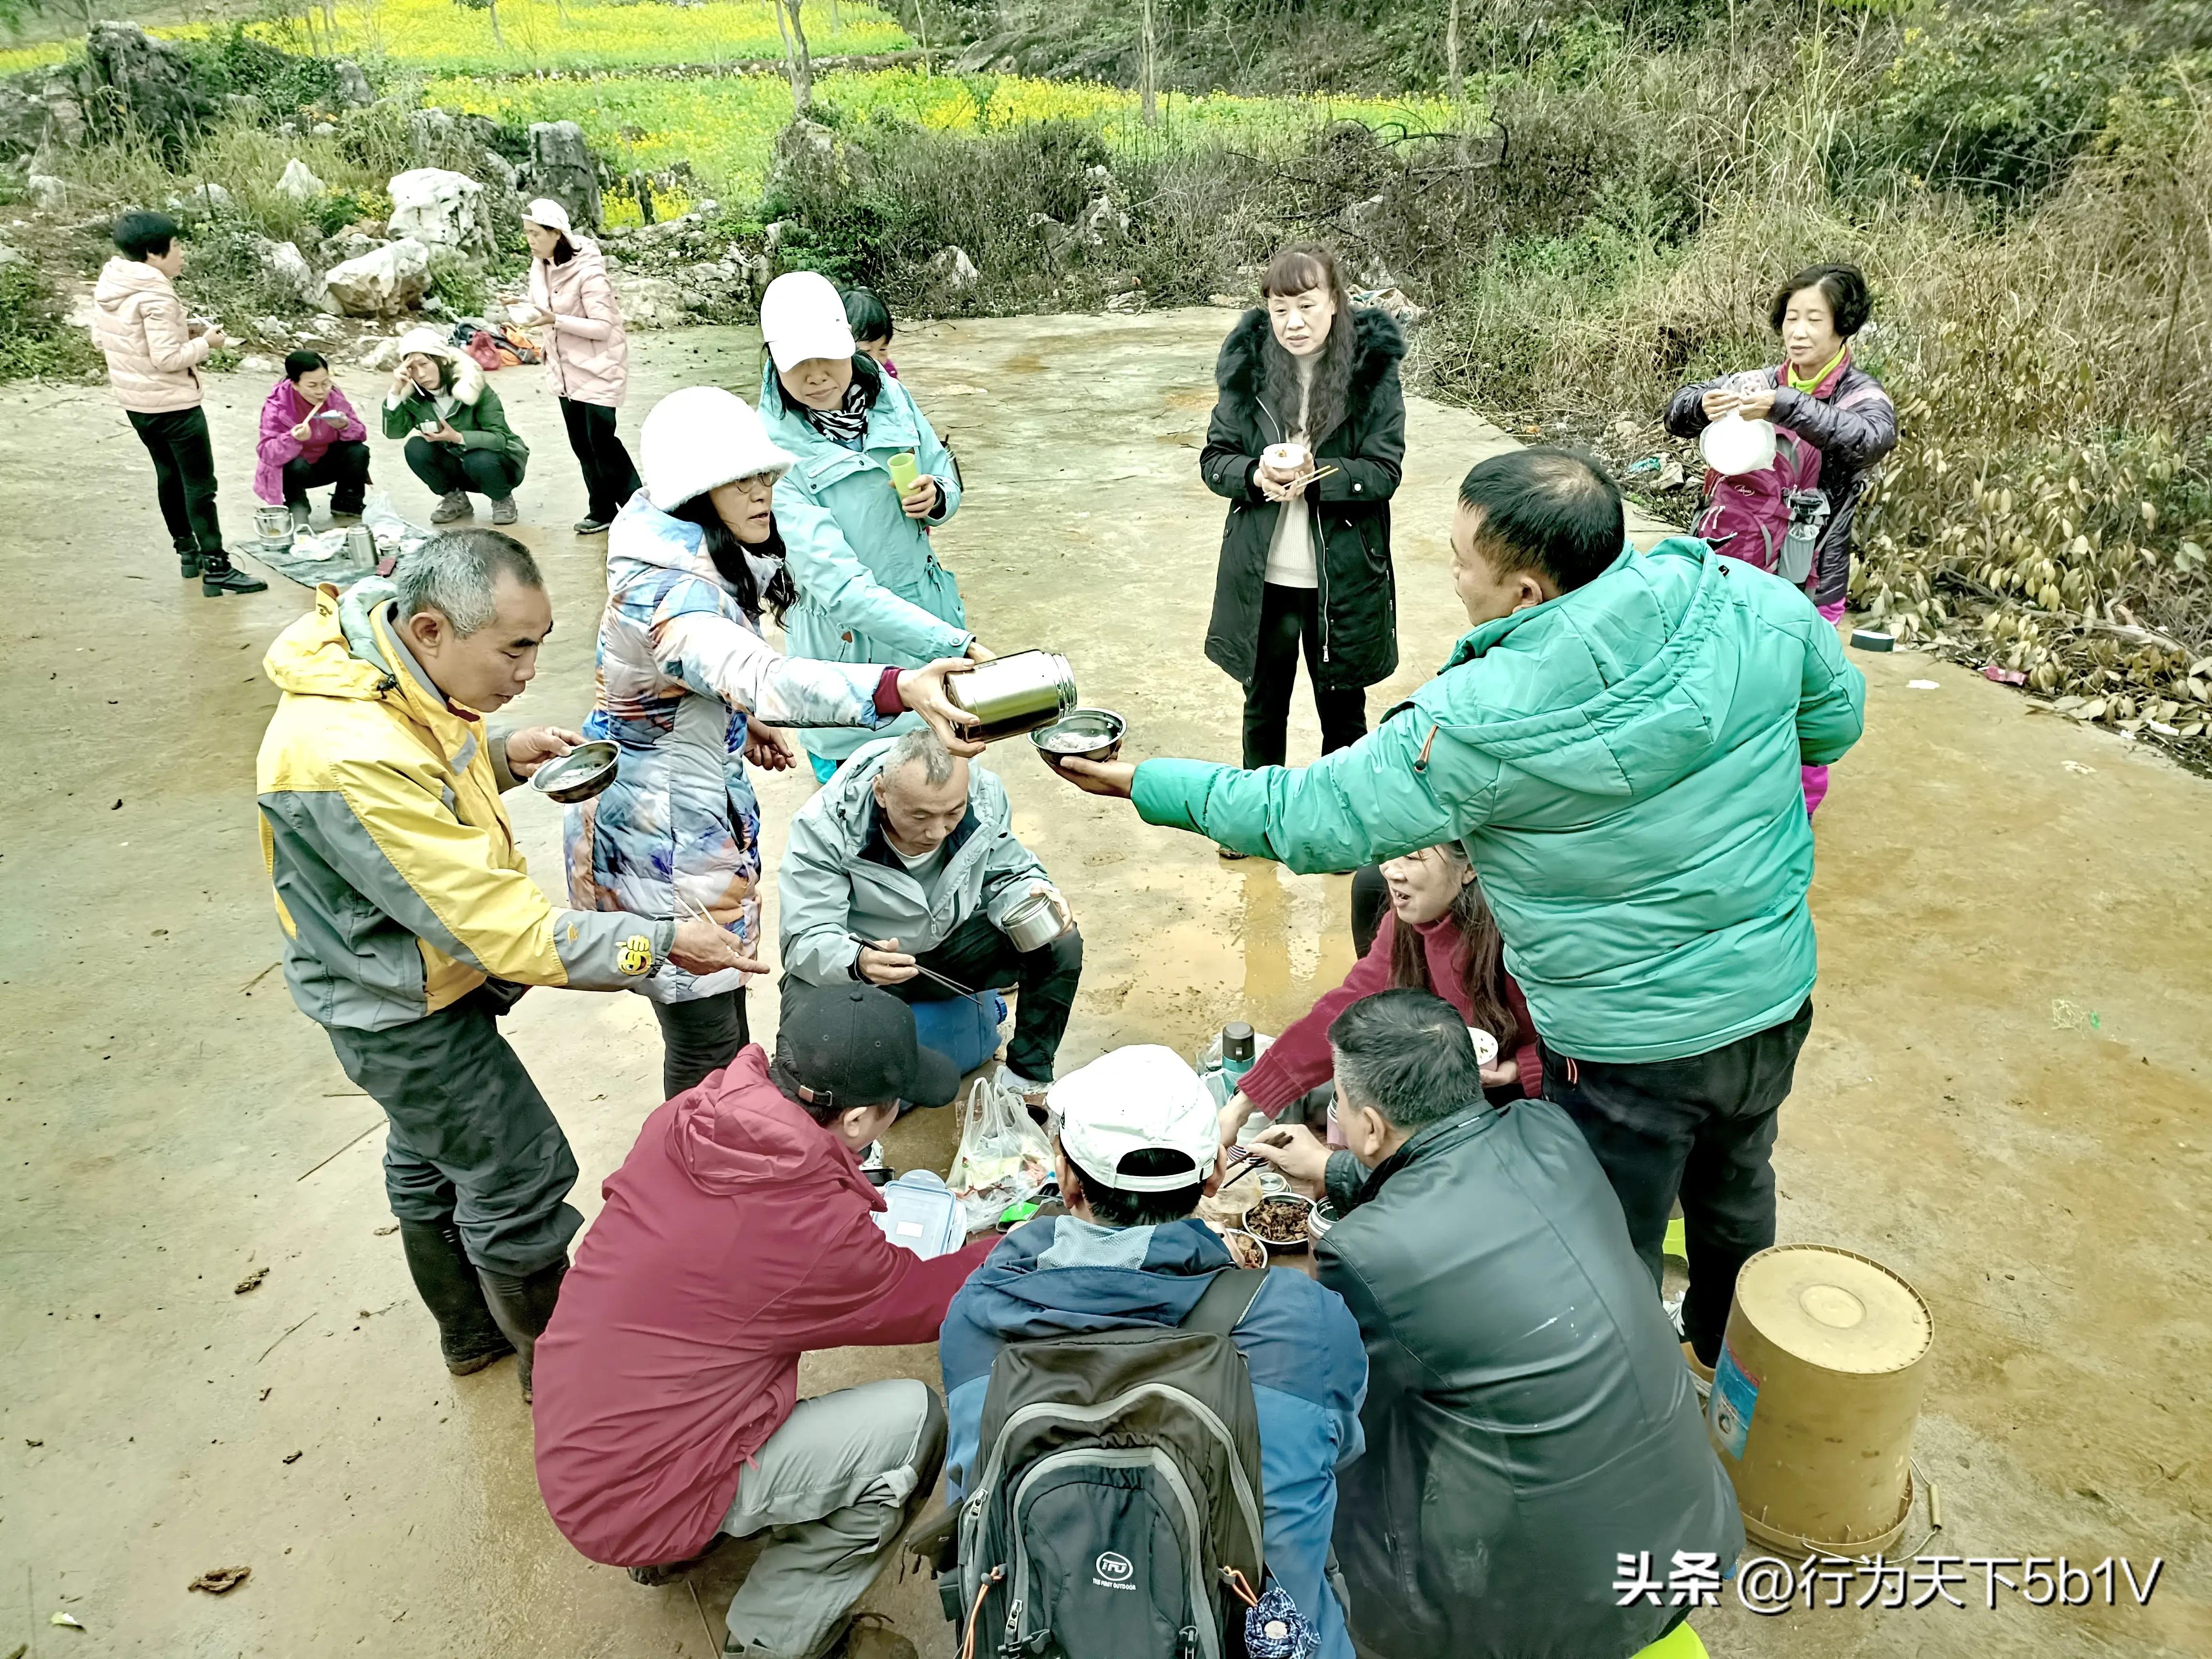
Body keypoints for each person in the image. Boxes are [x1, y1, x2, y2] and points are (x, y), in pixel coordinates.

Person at [1053, 447, 1865, 1372]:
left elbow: (1307, 816)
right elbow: (1833, 723)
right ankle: (1731, 1365)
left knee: (1607, 1243)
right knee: (1736, 1186)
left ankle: (1630, 1400)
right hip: (1770, 995)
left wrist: (1143, 782)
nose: (1449, 574)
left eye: (1458, 560)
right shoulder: (1748, 599)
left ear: (1523, 592)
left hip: (1626, 1043)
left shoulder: (1477, 716)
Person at [255, 531, 755, 1398]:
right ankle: (572, 1382)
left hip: (387, 977)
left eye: (539, 644)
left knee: (431, 1157)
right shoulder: (346, 751)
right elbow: (500, 930)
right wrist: (659, 939)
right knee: (520, 1175)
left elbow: (421, 787)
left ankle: (471, 1333)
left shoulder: (386, 674)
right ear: (431, 628)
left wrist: (496, 757)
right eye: (513, 649)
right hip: (401, 1005)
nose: (527, 671)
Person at [1248, 989, 1743, 1659]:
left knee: (1342, 1461)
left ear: (1368, 1127)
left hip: (1569, 1612)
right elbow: (1456, 1172)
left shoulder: (1366, 1254)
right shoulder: (1548, 1129)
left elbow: (1341, 1407)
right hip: (1692, 1538)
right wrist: (1335, 1170)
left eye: (1338, 1101)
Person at [532, 986, 994, 1659]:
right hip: (636, 1495)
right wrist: (1024, 1245)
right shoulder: (810, 1231)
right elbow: (925, 1297)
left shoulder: (693, 1116)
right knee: (912, 1429)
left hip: (582, 1440)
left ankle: (675, 1542)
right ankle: (771, 1638)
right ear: (858, 1120)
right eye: (895, 1104)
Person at [565, 385, 985, 1100]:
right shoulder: (672, 593)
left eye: (765, 475)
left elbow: (700, 676)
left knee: (717, 1018)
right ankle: (709, 1155)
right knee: (706, 1039)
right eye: (742, 482)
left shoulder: (679, 546)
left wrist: (726, 715)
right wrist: (899, 688)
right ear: (695, 492)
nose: (764, 493)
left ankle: (723, 1143)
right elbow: (761, 677)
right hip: (661, 836)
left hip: (677, 808)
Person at [939, 1045, 1367, 1659]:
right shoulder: (1304, 1323)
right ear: (1215, 1175)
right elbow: (1340, 1451)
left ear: (1067, 1179)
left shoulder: (979, 1318)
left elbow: (971, 1490)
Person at [1665, 263, 1896, 814]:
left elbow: (1869, 439)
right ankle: (1721, 795)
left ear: (1844, 325)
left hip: (1810, 578)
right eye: (1792, 318)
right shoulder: (1757, 381)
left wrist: (1784, 405)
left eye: (1815, 319)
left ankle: (1796, 809)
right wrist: (1702, 404)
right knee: (1720, 681)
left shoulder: (1861, 396)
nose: (1799, 331)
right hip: (1735, 565)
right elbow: (1677, 413)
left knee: (1801, 696)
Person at [1200, 243, 1405, 839]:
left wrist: (1319, 476)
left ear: (1335, 302)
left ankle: (1344, 828)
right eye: (1280, 309)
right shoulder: (1248, 371)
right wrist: (1254, 476)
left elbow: (1385, 471)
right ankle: (1256, 824)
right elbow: (1215, 459)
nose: (1294, 322)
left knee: (1343, 712)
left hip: (1341, 578)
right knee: (1264, 708)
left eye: (1307, 306)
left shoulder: (1371, 374)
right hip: (1263, 577)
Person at [755, 270, 989, 784]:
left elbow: (942, 466)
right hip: (850, 660)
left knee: (943, 802)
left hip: (927, 617)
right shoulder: (771, 451)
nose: (817, 376)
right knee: (865, 808)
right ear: (773, 359)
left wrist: (938, 495)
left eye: (828, 356)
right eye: (798, 363)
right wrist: (953, 645)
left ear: (848, 345)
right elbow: (842, 589)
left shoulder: (890, 396)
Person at [780, 730, 1081, 1103]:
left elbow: (1009, 873)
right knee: (804, 1017)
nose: (937, 832)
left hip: (953, 948)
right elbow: (805, 936)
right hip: (870, 966)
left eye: (953, 813)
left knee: (1057, 939)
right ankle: (835, 1116)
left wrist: (1034, 894)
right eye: (920, 816)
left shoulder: (983, 796)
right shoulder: (824, 826)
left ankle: (1026, 1076)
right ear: (881, 792)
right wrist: (857, 960)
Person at [1217, 842, 1541, 1147]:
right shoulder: (1406, 920)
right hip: (1443, 1082)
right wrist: (1244, 1104)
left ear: (1469, 867)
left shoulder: (1524, 939)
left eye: (1412, 857)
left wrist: (1519, 1069)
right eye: (1388, 851)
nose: (1390, 870)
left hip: (1527, 1100)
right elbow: (1346, 1008)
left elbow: (1571, 1044)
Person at [91, 209, 266, 596]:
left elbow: (105, 339)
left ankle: (188, 553)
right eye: (176, 245)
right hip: (174, 407)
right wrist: (206, 343)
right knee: (200, 486)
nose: (182, 253)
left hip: (137, 405)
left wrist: (180, 331)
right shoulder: (156, 294)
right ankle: (217, 566)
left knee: (168, 475)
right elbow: (167, 359)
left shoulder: (112, 283)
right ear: (155, 254)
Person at [513, 197, 639, 535]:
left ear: (556, 233)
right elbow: (544, 308)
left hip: (599, 367)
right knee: (582, 445)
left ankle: (641, 513)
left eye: (536, 234)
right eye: (527, 233)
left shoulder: (589, 271)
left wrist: (554, 320)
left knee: (603, 444)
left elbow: (603, 327)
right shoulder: (540, 265)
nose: (530, 240)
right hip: (564, 370)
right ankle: (602, 511)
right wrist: (522, 307)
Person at [381, 326, 529, 527]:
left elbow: (499, 439)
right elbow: (394, 433)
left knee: (478, 459)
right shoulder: (414, 397)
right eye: (413, 369)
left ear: (442, 361)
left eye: (424, 364)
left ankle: (502, 499)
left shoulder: (474, 387)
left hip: (500, 464)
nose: (421, 374)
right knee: (416, 447)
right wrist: (395, 392)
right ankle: (455, 500)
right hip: (459, 464)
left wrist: (457, 437)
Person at [254, 349, 371, 531]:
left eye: (325, 383)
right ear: (295, 384)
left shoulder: (333, 396)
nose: (321, 391)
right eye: (312, 385)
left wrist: (345, 426)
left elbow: (361, 433)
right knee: (292, 463)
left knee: (359, 451)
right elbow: (266, 452)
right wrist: (292, 439)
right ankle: (297, 507)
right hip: (298, 469)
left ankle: (347, 503)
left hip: (327, 463)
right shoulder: (278, 406)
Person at [842, 286, 898, 377]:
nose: (875, 359)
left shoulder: (887, 374)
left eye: (883, 350)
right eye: (866, 351)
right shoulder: (831, 378)